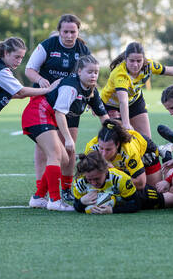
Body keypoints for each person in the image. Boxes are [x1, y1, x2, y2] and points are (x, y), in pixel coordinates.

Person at [0, 37, 58, 209]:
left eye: (21, 58)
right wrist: (48, 89)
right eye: (16, 57)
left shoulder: (3, 70)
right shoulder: (0, 70)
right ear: (5, 53)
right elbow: (22, 92)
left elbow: (16, 94)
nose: (19, 61)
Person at [23, 55, 109, 211]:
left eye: (96, 72)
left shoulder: (91, 90)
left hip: (45, 117)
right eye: (89, 72)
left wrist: (115, 134)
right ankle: (55, 201)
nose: (93, 75)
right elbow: (59, 113)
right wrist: (68, 139)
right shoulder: (71, 86)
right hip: (37, 114)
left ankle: (38, 198)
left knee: (63, 159)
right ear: (79, 71)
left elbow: (104, 117)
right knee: (56, 155)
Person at [25, 14, 91, 201]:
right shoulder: (48, 45)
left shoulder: (83, 49)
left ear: (78, 32)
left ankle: (67, 190)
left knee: (69, 147)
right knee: (44, 148)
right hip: (44, 100)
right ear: (59, 31)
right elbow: (29, 69)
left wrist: (93, 101)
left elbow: (89, 75)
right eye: (66, 32)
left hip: (69, 102)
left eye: (73, 32)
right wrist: (39, 80)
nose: (69, 36)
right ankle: (42, 191)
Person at [100, 42, 173, 138]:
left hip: (135, 100)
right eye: (132, 61)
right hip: (112, 105)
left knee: (146, 141)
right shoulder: (120, 74)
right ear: (125, 59)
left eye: (139, 61)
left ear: (143, 59)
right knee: (119, 141)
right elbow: (123, 101)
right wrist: (126, 124)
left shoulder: (149, 66)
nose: (135, 65)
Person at [73, 151, 165, 214]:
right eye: (89, 179)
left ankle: (167, 155)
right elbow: (76, 206)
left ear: (106, 170)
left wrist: (113, 210)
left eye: (97, 179)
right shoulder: (80, 182)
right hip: (122, 199)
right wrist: (81, 202)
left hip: (142, 195)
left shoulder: (120, 179)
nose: (93, 183)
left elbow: (136, 204)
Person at [85, 119, 162, 189]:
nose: (103, 154)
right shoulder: (91, 148)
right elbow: (85, 177)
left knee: (156, 191)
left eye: (108, 149)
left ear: (117, 145)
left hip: (145, 152)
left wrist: (112, 174)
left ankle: (166, 153)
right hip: (122, 163)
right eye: (101, 148)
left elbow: (140, 183)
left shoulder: (129, 150)